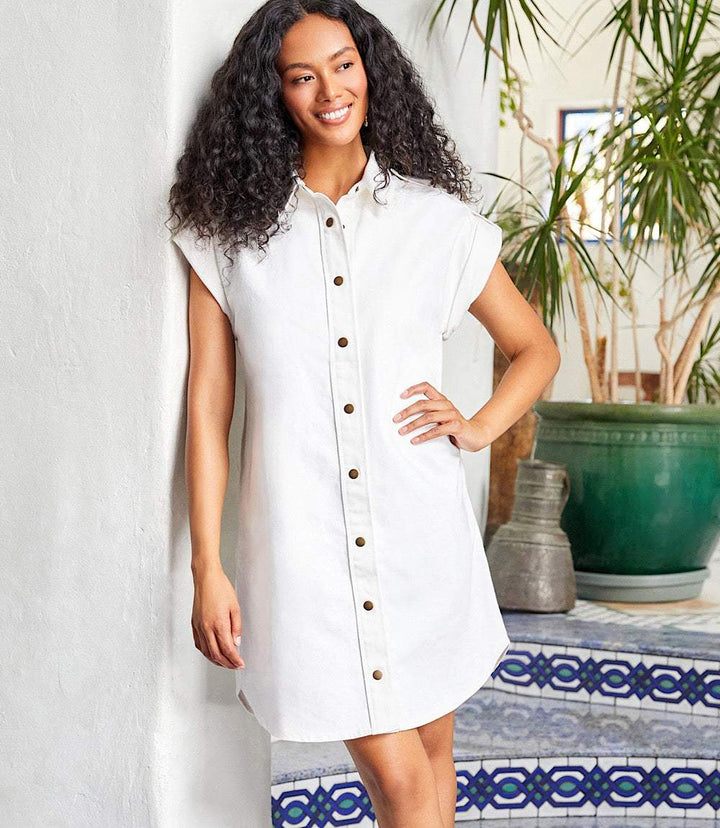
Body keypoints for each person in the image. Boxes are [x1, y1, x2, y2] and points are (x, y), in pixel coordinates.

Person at [167, 1, 560, 825]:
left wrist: (480, 426)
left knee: (434, 761)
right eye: (301, 75)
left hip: (424, 547)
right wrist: (209, 564)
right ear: (271, 94)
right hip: (304, 559)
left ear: (371, 69)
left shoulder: (436, 223)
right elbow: (209, 406)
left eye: (343, 64)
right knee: (405, 786)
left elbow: (536, 348)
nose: (329, 90)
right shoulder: (232, 235)